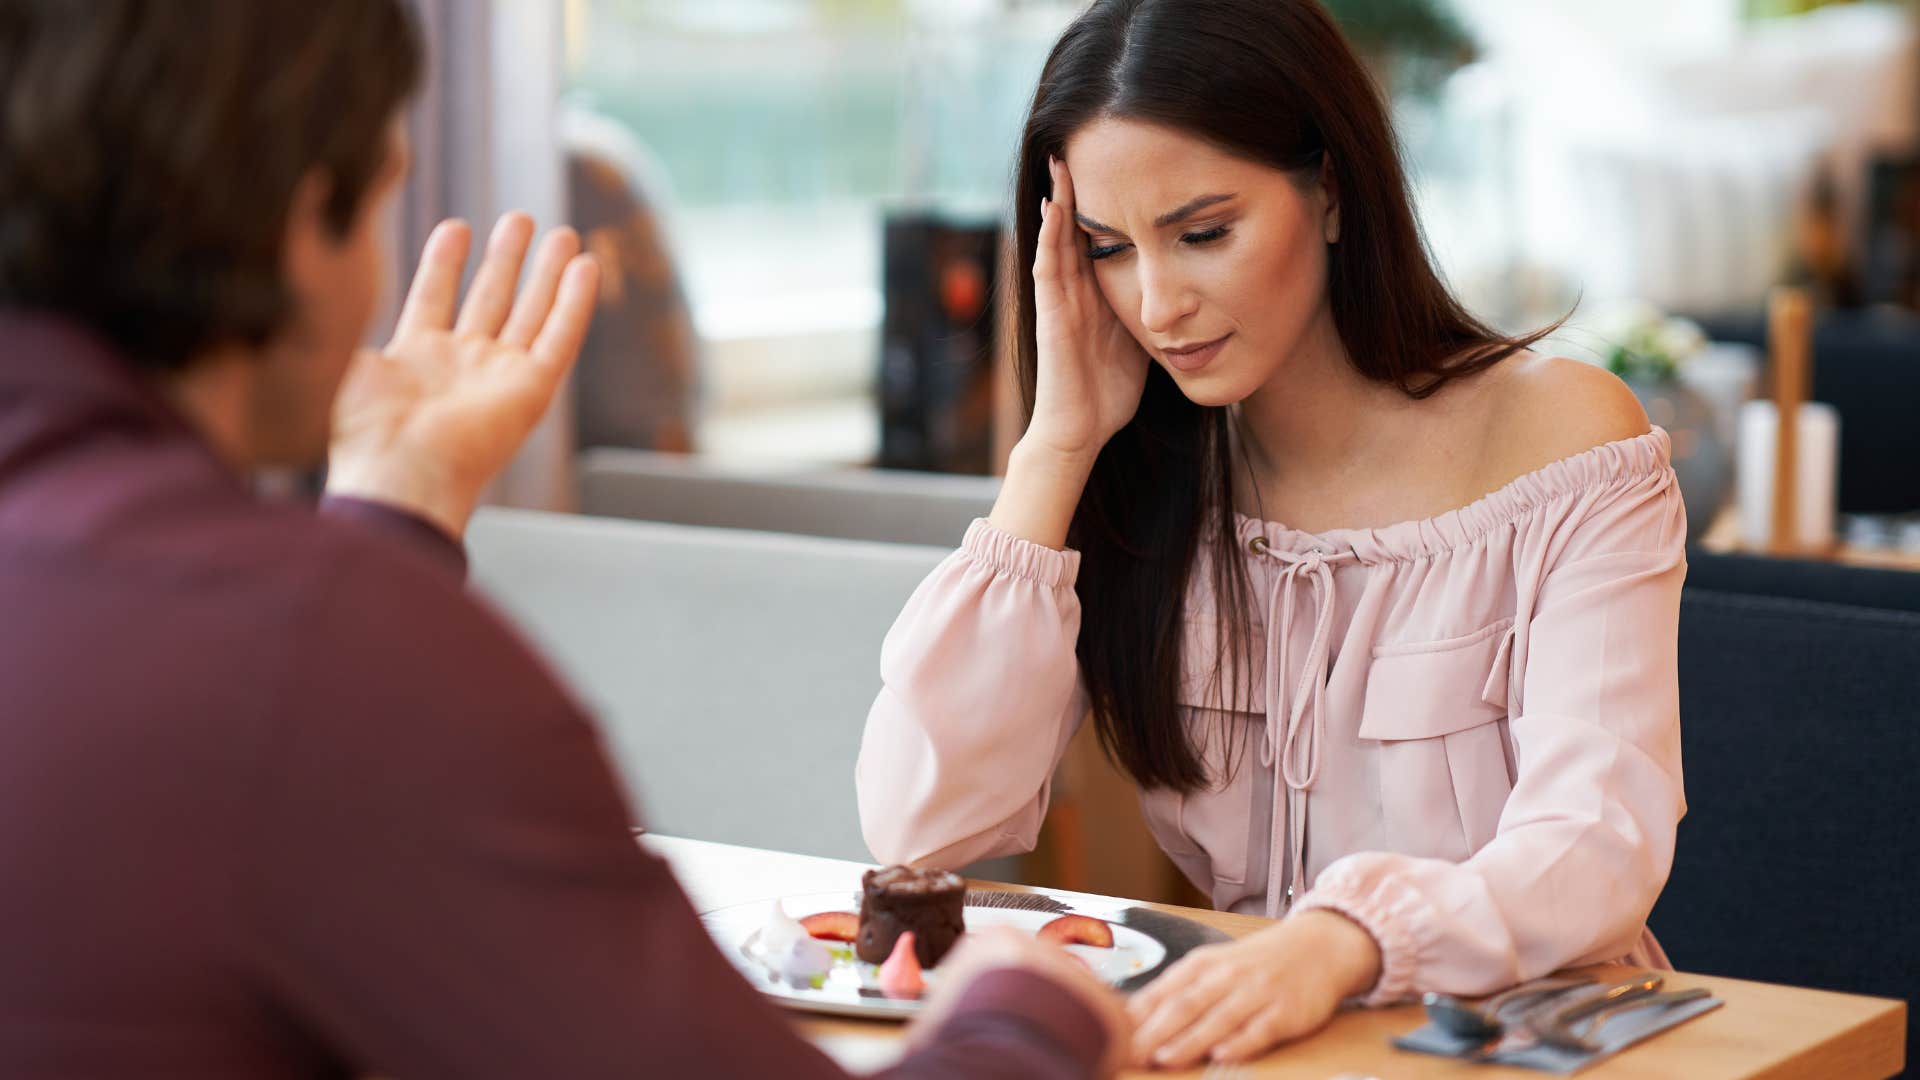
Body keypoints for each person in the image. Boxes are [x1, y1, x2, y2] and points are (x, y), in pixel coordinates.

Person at [0, 2, 1128, 1077]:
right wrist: (1028, 1012)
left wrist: (390, 520)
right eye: (389, 198)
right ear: (303, 221)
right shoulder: (308, 649)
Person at [856, 0, 1686, 1069]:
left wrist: (1344, 943)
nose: (1157, 305)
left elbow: (1600, 836)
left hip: (1537, 1047)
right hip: (1261, 1048)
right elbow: (921, 830)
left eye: (1205, 233)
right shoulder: (1140, 478)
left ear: (1331, 190)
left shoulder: (1564, 438)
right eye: (1110, 249)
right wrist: (1056, 447)